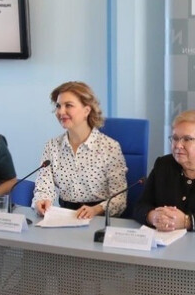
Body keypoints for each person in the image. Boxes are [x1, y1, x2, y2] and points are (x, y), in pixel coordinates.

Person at [32, 82, 128, 219]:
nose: (60, 112)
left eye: (68, 105)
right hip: (64, 217)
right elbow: (43, 186)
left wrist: (96, 210)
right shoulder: (51, 146)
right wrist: (41, 201)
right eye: (58, 106)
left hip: (98, 218)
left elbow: (119, 198)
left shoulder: (109, 147)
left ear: (86, 111)